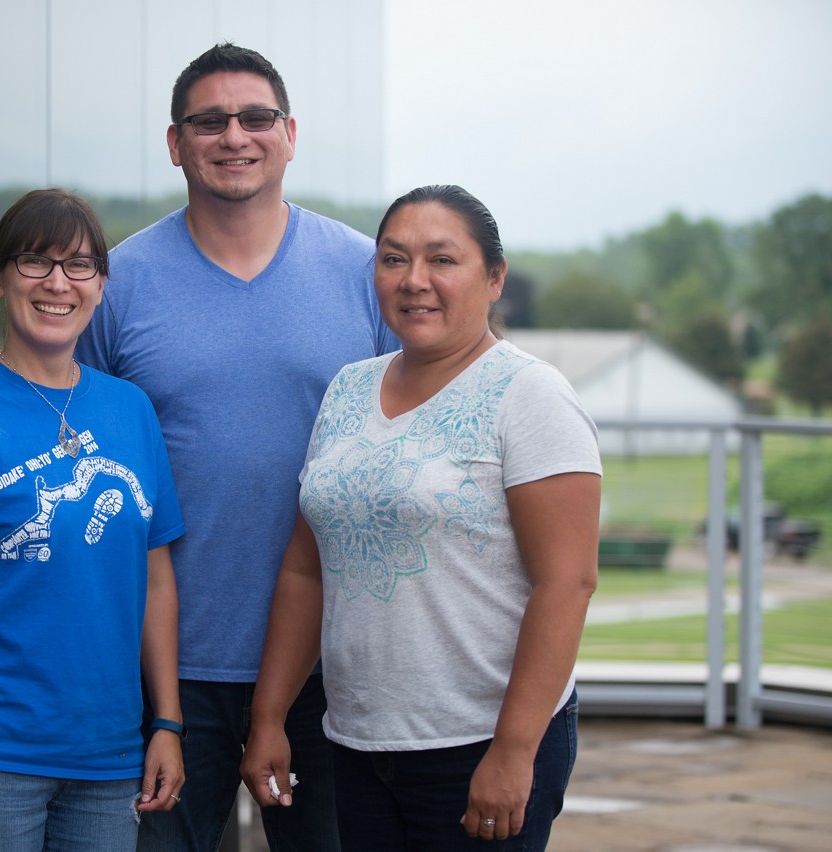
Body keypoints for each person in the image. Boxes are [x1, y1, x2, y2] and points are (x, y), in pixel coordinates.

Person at [76, 43, 397, 852]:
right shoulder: (118, 284)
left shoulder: (367, 273)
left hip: (335, 663)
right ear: (176, 142)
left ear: (289, 133)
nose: (234, 135)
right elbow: (78, 460)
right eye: (208, 120)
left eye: (255, 117)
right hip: (167, 669)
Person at [240, 185, 603, 851]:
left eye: (443, 260)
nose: (415, 282)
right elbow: (305, 569)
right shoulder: (348, 389)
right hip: (355, 741)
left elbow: (568, 583)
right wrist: (269, 717)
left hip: (477, 745)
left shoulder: (531, 395)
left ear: (494, 278)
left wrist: (514, 752)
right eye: (393, 259)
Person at [0, 188, 186, 851]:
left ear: (101, 285)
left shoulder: (130, 410)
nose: (57, 283)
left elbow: (155, 580)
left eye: (79, 265)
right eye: (34, 262)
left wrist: (167, 721)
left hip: (107, 760)